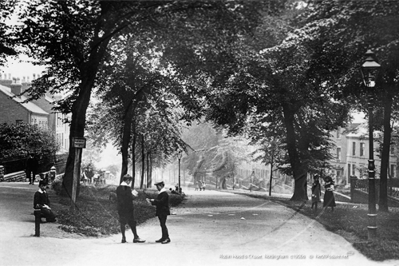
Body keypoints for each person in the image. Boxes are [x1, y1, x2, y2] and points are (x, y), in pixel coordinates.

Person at [116, 174, 145, 244]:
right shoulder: (128, 188)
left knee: (122, 222)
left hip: (121, 208)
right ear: (127, 180)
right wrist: (135, 196)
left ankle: (123, 238)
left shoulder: (118, 188)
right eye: (129, 180)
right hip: (128, 208)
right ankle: (135, 237)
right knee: (132, 222)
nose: (130, 182)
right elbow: (130, 198)